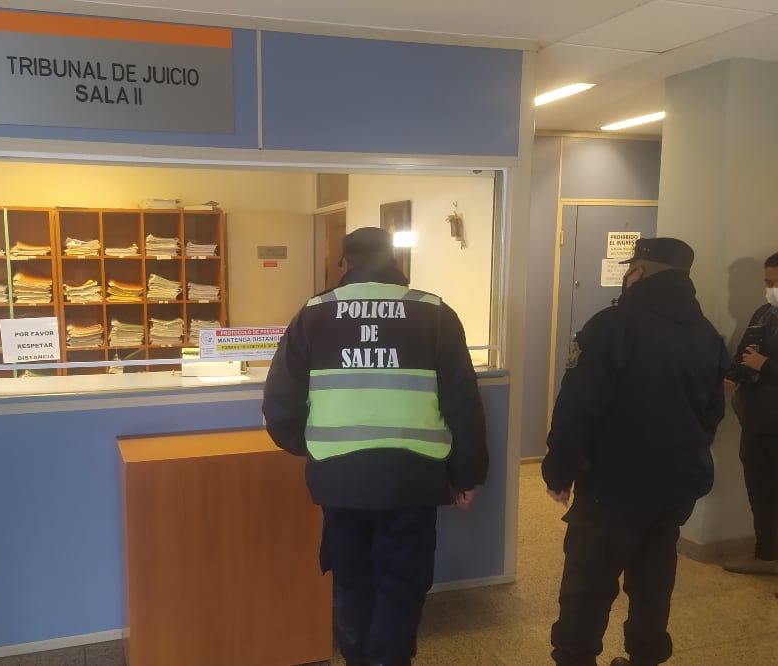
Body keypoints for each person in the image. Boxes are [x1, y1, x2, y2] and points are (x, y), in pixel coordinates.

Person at [262, 226, 488, 666]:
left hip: (340, 478)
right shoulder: (435, 312)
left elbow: (279, 404)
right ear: (396, 262)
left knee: (351, 579)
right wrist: (466, 475)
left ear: (345, 263)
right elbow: (463, 402)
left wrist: (311, 447)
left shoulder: (314, 313)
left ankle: (358, 659)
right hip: (414, 478)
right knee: (402, 583)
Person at [543, 237, 729, 666]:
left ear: (639, 272)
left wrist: (559, 471)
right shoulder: (707, 335)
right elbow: (711, 415)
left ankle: (575, 657)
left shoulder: (612, 326)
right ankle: (646, 657)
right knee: (654, 580)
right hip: (676, 486)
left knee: (588, 585)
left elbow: (578, 406)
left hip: (613, 487)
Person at [722, 251, 778, 576]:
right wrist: (735, 371)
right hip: (757, 421)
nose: (769, 289)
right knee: (760, 491)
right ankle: (765, 555)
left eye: (775, 282)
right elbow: (746, 349)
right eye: (767, 282)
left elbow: (763, 361)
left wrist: (767, 366)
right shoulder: (764, 313)